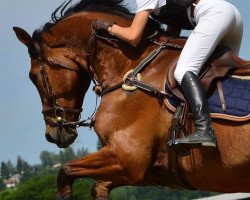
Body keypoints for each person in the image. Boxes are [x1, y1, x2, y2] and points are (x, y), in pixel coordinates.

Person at [93, 0, 243, 147]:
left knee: (184, 70)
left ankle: (204, 129)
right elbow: (174, 25)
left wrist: (109, 27)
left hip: (213, 14)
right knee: (222, 74)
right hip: (231, 15)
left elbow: (133, 36)